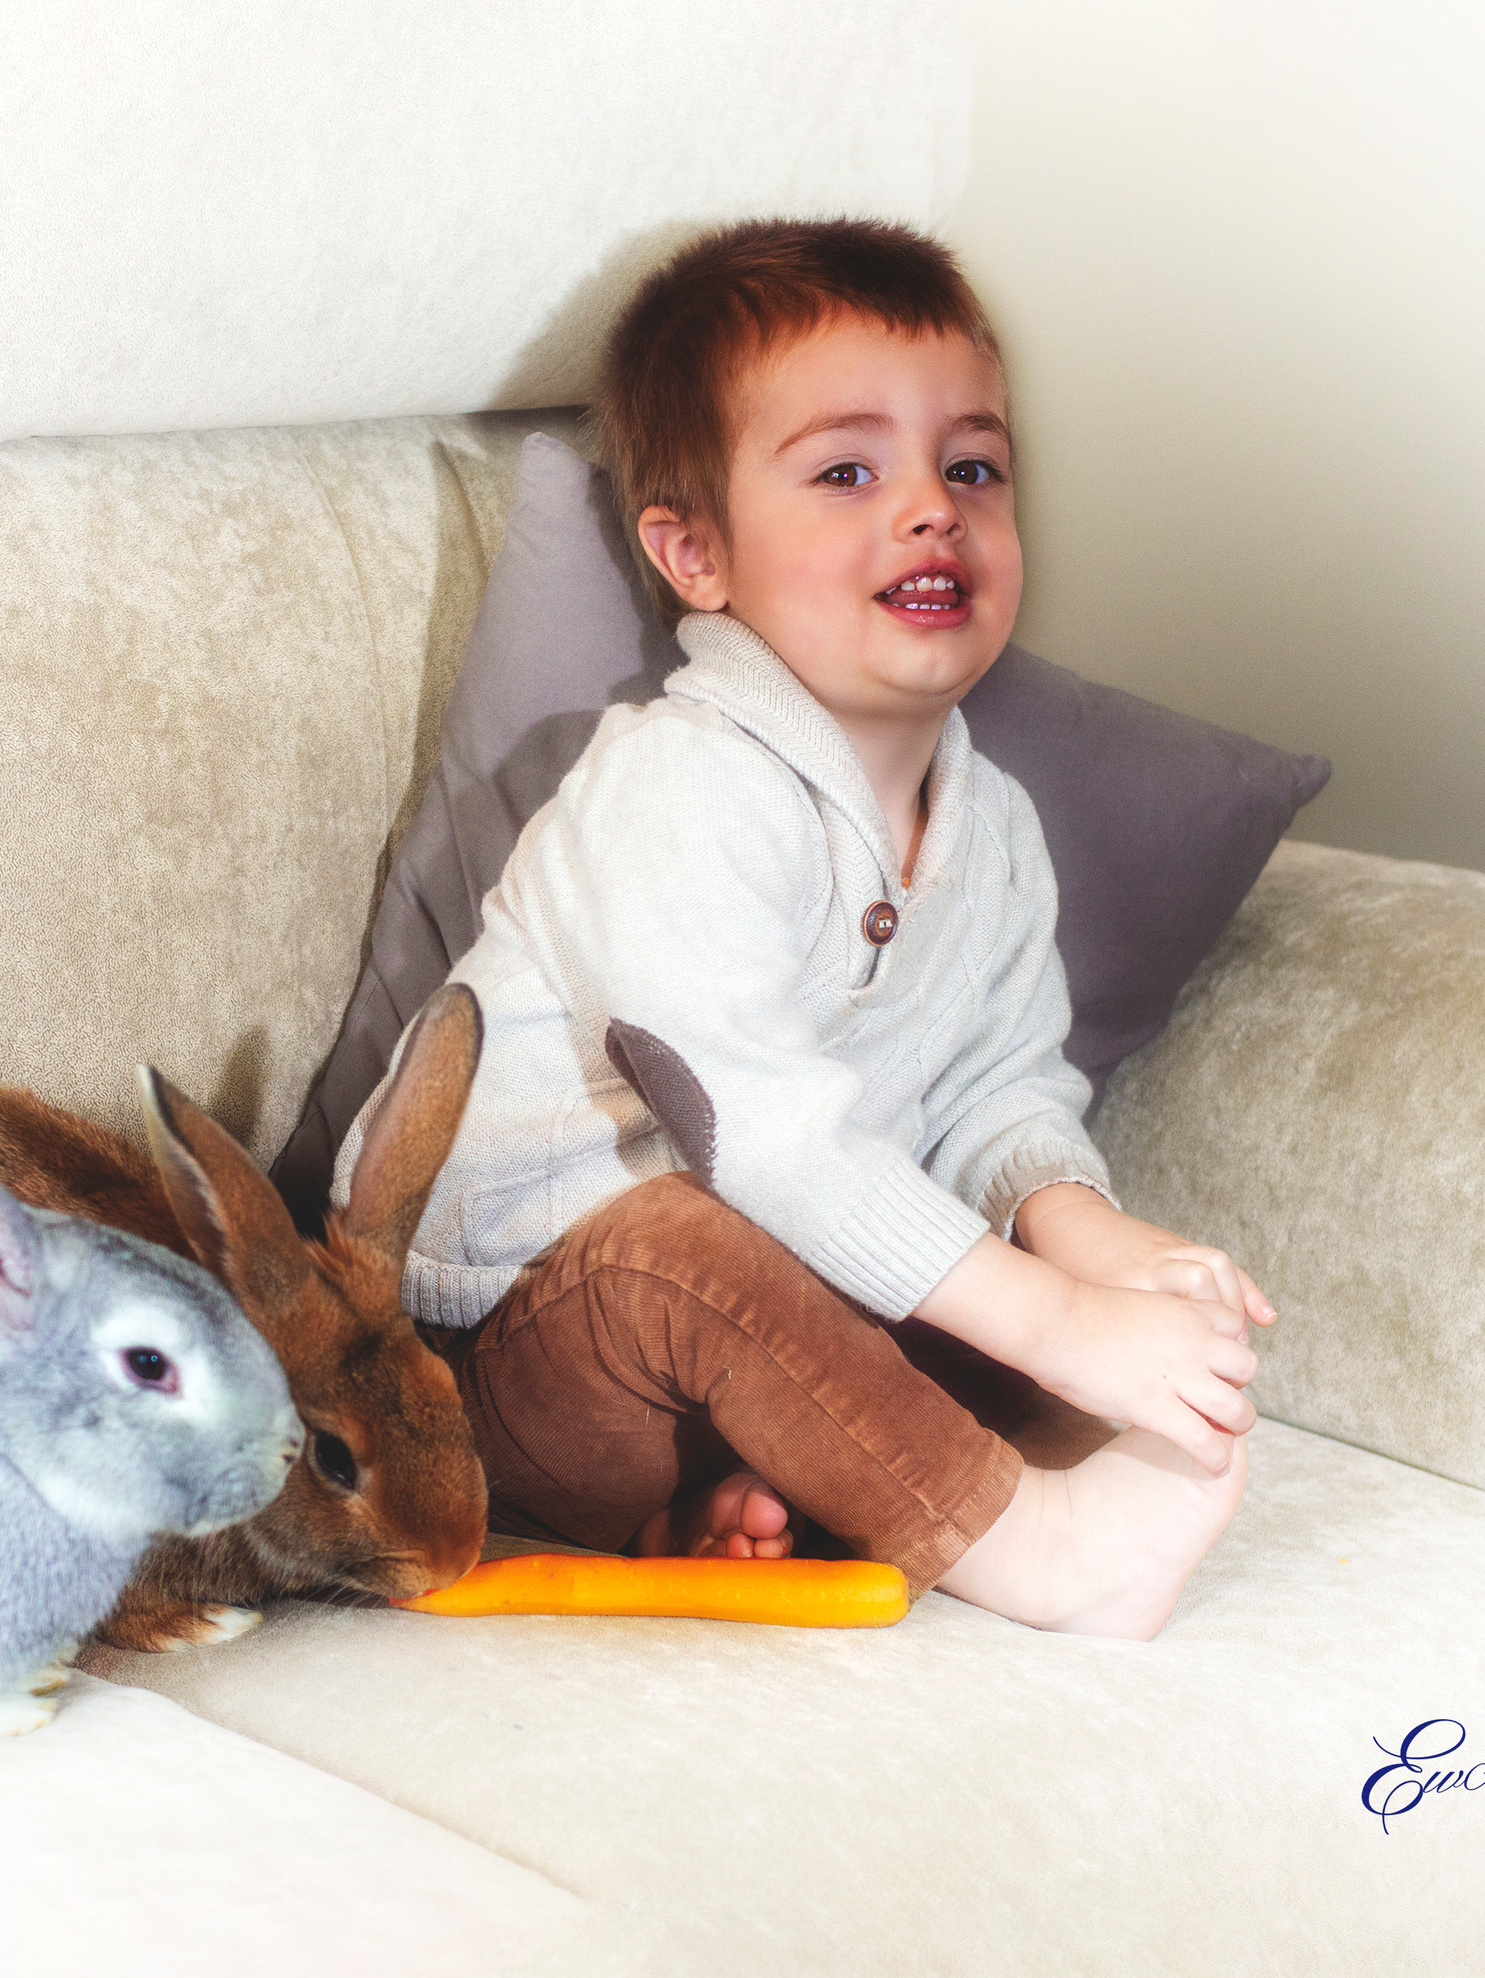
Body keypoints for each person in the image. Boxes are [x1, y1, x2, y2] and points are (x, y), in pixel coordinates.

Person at [332, 219, 1273, 1639]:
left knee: (1034, 1316)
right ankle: (1043, 1553)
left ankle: (739, 1500)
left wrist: (1089, 1242)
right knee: (686, 1247)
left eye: (971, 467)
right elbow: (757, 1136)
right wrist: (1059, 1319)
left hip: (757, 1322)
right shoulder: (676, 782)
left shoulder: (994, 825)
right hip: (488, 1355)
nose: (929, 509)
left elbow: (998, 1087)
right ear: (695, 552)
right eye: (848, 472)